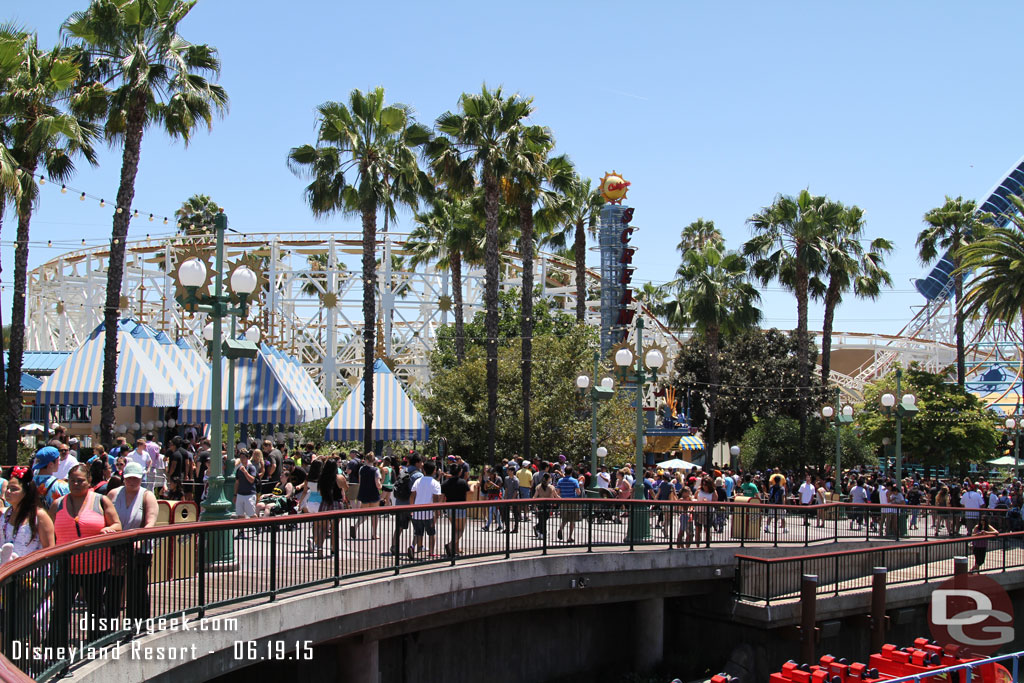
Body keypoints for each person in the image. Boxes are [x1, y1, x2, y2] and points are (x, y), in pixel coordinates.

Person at [50, 464, 121, 641]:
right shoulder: (57, 504)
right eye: (72, 480)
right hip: (65, 566)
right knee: (60, 609)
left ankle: (97, 644)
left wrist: (109, 529)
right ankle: (56, 648)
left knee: (96, 608)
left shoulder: (101, 500)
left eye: (80, 480)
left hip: (96, 566)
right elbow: (48, 531)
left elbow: (117, 525)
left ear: (89, 480)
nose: (75, 484)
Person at [108, 462, 158, 620]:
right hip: (117, 546)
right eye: (129, 478)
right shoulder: (113, 494)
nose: (132, 481)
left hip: (140, 548)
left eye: (136, 479)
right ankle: (109, 623)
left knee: (138, 587)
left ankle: (139, 622)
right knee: (113, 586)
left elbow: (150, 522)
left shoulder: (147, 495)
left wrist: (139, 540)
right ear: (124, 478)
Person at [1, 467, 55, 565]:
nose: (8, 491)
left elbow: (49, 550)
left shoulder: (39, 516)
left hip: (31, 574)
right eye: (8, 488)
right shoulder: (6, 513)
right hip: (6, 573)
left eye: (14, 489)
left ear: (26, 492)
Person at [409, 462, 442, 559]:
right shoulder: (435, 483)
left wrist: (411, 508)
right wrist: (437, 512)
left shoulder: (418, 481)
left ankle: (412, 546)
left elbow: (412, 495)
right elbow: (436, 498)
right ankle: (431, 552)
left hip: (417, 511)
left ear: (423, 470)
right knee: (431, 533)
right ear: (434, 471)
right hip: (429, 513)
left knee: (417, 532)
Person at [351, 452, 382, 540]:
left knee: (364, 515)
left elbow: (360, 482)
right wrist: (381, 484)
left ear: (366, 460)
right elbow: (378, 484)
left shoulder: (361, 469)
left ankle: (356, 526)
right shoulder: (376, 470)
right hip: (373, 494)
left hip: (363, 493)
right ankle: (374, 533)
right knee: (375, 515)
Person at [441, 465, 469, 556]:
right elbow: (468, 494)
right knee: (460, 530)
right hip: (460, 508)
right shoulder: (463, 482)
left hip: (449, 509)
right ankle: (450, 545)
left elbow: (442, 498)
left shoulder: (445, 483)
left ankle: (456, 548)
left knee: (455, 529)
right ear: (460, 472)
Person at [31, 446, 69, 511]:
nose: (59, 463)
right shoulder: (62, 486)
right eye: (58, 460)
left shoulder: (28, 483)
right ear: (51, 464)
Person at [233, 450, 258, 538]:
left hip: (249, 494)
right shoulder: (238, 469)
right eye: (241, 457)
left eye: (243, 457)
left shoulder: (251, 468)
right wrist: (235, 494)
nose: (242, 459)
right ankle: (241, 531)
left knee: (251, 513)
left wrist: (245, 472)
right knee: (240, 514)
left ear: (247, 458)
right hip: (240, 494)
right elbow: (237, 482)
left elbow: (252, 480)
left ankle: (258, 526)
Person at [556, 466, 581, 543]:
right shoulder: (574, 481)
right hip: (572, 501)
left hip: (563, 501)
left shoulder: (560, 481)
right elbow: (578, 492)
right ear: (571, 472)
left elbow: (558, 492)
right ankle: (569, 537)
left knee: (565, 518)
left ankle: (561, 529)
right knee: (572, 520)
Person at [533, 472, 558, 540]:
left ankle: (541, 532)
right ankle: (542, 532)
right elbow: (556, 496)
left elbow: (534, 497)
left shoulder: (538, 486)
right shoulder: (551, 487)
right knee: (544, 519)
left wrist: (535, 506)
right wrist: (562, 500)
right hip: (548, 505)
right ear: (549, 479)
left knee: (542, 519)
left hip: (540, 505)